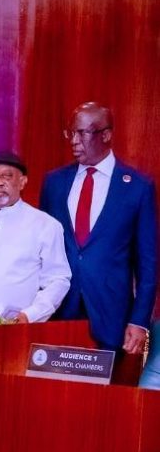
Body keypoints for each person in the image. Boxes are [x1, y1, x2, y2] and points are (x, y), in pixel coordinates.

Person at [39, 102, 156, 355]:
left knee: (108, 382)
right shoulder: (54, 182)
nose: (74, 141)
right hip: (59, 312)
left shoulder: (138, 187)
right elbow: (40, 250)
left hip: (113, 317)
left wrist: (139, 320)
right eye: (71, 132)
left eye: (82, 133)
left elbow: (148, 263)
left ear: (106, 135)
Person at [0, 150, 70, 324]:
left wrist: (31, 315)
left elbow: (58, 279)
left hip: (18, 328)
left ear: (22, 182)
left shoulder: (45, 225)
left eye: (6, 176)